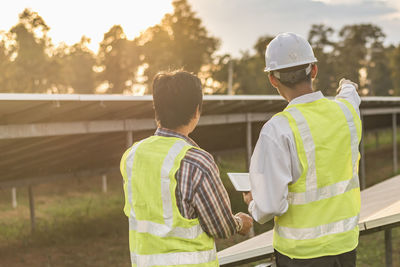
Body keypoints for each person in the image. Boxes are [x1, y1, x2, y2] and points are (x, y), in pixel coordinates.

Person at [243, 33, 362, 267]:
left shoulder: (277, 129)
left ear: (273, 80)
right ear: (314, 71)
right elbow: (351, 95)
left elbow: (269, 206)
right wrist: (347, 86)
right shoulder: (346, 112)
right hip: (346, 246)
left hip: (300, 255)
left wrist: (252, 202)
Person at [120, 70, 253, 266]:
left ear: (156, 109)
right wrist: (241, 222)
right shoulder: (198, 162)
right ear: (196, 110)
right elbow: (221, 227)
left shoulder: (132, 155)